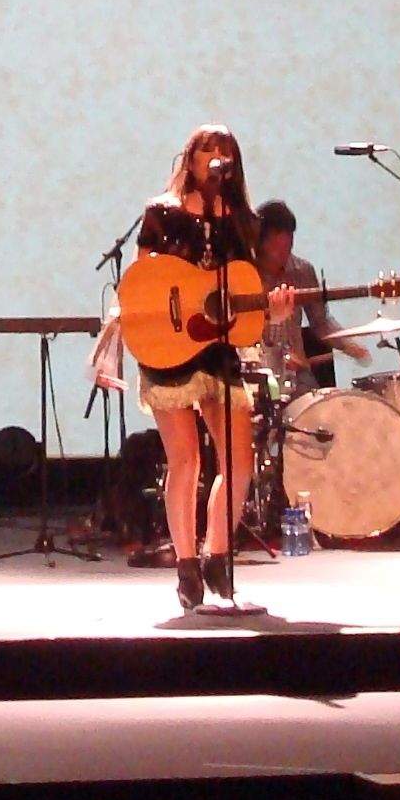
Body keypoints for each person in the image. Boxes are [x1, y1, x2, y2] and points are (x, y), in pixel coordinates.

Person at [131, 126, 294, 615]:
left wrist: (273, 311)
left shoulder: (240, 221)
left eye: (226, 152)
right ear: (191, 158)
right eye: (208, 150)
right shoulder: (162, 211)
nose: (217, 158)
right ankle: (186, 567)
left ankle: (217, 555)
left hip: (216, 347)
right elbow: (143, 280)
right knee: (186, 460)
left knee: (238, 458)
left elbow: (242, 289)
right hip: (168, 343)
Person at [253, 200, 370, 393]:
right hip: (260, 375)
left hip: (298, 375)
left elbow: (320, 322)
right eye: (276, 248)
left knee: (323, 413)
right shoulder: (244, 275)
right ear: (261, 242)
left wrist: (350, 347)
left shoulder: (303, 271)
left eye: (288, 246)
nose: (284, 254)